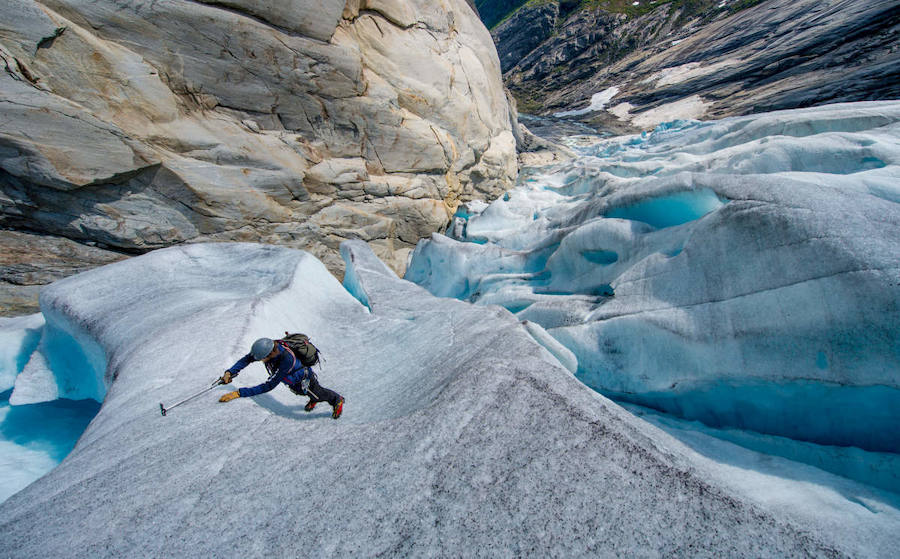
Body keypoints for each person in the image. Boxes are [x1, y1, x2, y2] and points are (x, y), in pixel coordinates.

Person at [218, 337, 344, 419]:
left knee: (317, 393)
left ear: (269, 355)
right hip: (293, 380)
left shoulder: (286, 360)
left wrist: (239, 393)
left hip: (303, 378)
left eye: (262, 359)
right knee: (301, 392)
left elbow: (269, 385)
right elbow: (248, 358)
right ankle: (312, 397)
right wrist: (230, 372)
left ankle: (336, 399)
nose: (260, 361)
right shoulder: (268, 348)